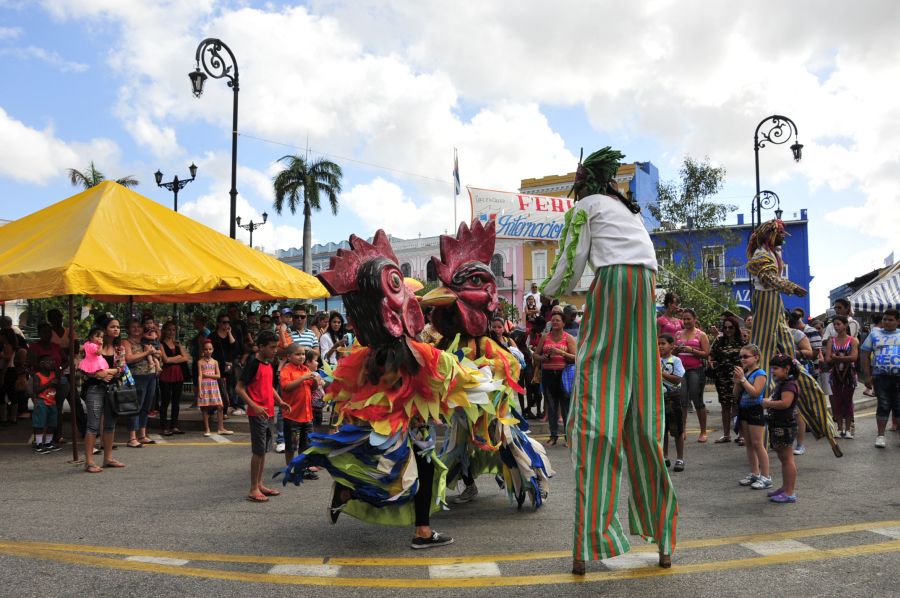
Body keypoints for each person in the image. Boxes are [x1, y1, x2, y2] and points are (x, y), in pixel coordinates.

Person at [540, 146, 677, 573]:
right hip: (647, 289)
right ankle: (663, 538)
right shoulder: (627, 210)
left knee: (595, 408)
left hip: (615, 285)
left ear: (583, 184)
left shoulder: (584, 207)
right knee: (643, 416)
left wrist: (548, 295)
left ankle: (588, 545)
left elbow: (570, 261)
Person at [747, 219, 840, 458]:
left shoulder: (769, 254)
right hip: (767, 315)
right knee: (765, 368)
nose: (784, 239)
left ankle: (824, 428)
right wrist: (791, 287)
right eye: (780, 235)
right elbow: (769, 279)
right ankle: (762, 447)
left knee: (793, 369)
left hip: (775, 312)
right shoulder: (761, 256)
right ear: (770, 235)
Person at [236, 330, 289, 502]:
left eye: (276, 347)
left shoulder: (270, 363)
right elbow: (239, 388)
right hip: (257, 413)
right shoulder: (253, 363)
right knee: (258, 451)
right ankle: (253, 488)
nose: (275, 351)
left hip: (269, 412)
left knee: (264, 450)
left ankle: (259, 484)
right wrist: (254, 405)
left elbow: (270, 386)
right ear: (261, 347)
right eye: (272, 347)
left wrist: (279, 401)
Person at [83, 316, 126, 473]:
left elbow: (121, 368)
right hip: (94, 388)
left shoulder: (119, 348)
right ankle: (89, 461)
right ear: (104, 329)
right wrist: (97, 375)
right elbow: (82, 368)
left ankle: (108, 458)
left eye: (118, 327)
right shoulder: (91, 347)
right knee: (93, 425)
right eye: (112, 326)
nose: (116, 329)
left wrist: (105, 372)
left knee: (110, 424)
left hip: (112, 389)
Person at [761, 354, 800, 503]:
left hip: (785, 425)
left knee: (788, 459)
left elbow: (785, 403)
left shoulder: (789, 385)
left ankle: (789, 492)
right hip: (778, 424)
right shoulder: (783, 383)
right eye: (772, 368)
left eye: (776, 368)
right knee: (783, 458)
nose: (773, 371)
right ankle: (785, 487)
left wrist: (768, 403)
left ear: (787, 369)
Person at [533, 313, 576, 446]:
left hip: (564, 376)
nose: (555, 322)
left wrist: (561, 353)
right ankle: (553, 436)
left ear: (563, 323)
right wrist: (543, 358)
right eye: (553, 321)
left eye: (558, 320)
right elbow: (535, 355)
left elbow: (575, 357)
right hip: (548, 374)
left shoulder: (568, 338)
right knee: (551, 406)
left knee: (566, 407)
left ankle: (569, 438)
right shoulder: (545, 337)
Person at [860, 309, 900, 449]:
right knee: (883, 405)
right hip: (880, 377)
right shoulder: (874, 334)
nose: (886, 322)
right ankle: (880, 436)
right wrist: (867, 375)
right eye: (884, 319)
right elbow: (865, 354)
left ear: (898, 321)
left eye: (890, 319)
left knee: (898, 406)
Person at [733, 344, 770, 489]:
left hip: (755, 409)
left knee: (757, 443)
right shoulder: (745, 374)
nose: (742, 359)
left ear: (756, 358)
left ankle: (766, 476)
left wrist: (742, 380)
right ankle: (754, 473)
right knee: (748, 443)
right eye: (741, 357)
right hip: (744, 410)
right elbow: (735, 394)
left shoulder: (760, 373)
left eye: (746, 356)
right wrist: (737, 381)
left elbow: (755, 392)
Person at [279, 343, 318, 475]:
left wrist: (316, 380)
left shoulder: (306, 369)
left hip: (307, 416)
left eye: (302, 354)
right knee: (291, 446)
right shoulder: (286, 370)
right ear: (289, 356)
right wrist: (303, 378)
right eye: (297, 354)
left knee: (305, 445)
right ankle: (289, 470)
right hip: (293, 416)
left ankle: (301, 469)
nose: (301, 357)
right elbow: (286, 387)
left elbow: (313, 388)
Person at [675, 308, 710, 442]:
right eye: (684, 319)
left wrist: (692, 350)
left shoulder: (701, 335)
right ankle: (683, 430)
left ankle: (703, 431)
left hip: (696, 370)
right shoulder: (678, 334)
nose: (686, 321)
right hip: (681, 371)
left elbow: (706, 354)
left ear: (695, 319)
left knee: (697, 400)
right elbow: (673, 353)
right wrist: (676, 350)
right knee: (682, 401)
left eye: (689, 319)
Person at [123, 318, 159, 448]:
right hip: (136, 377)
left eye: (139, 326)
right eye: (133, 327)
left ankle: (142, 434)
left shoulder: (146, 340)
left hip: (150, 375)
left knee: (146, 406)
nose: (136, 329)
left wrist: (154, 352)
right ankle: (132, 437)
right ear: (128, 329)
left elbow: (158, 353)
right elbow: (129, 358)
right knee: (135, 406)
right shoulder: (126, 342)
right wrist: (147, 352)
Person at [708, 315, 743, 443]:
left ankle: (741, 435)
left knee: (738, 405)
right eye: (725, 327)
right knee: (725, 406)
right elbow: (711, 355)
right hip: (722, 378)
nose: (728, 330)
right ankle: (726, 435)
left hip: (737, 378)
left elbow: (747, 357)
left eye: (731, 327)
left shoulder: (742, 341)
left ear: (736, 328)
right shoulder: (719, 340)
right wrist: (711, 362)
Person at [824, 315, 858, 439]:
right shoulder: (831, 340)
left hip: (850, 375)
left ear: (845, 325)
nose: (836, 326)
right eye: (835, 324)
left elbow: (854, 357)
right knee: (837, 401)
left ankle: (848, 429)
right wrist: (844, 358)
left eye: (838, 324)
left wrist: (837, 357)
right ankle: (839, 428)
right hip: (835, 375)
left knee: (847, 401)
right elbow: (827, 358)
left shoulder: (853, 340)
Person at [787, 311, 814, 456]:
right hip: (776, 376)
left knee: (798, 411)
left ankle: (800, 444)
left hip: (796, 376)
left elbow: (809, 352)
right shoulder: (769, 333)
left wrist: (792, 351)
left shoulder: (796, 334)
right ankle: (780, 441)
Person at [659, 334, 685, 472]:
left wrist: (661, 373)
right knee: (663, 429)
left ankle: (680, 458)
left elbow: (678, 379)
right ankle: (664, 456)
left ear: (671, 345)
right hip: (659, 397)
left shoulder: (675, 360)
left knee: (677, 429)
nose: (660, 346)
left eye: (663, 343)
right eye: (658, 344)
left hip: (673, 398)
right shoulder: (655, 360)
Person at [158, 321, 190, 436]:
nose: (171, 332)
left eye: (173, 330)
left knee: (176, 401)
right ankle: (164, 426)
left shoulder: (177, 344)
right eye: (169, 330)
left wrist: (174, 359)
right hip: (166, 374)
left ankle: (174, 425)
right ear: (164, 331)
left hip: (178, 374)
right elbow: (166, 360)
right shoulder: (161, 344)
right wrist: (178, 357)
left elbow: (186, 358)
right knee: (165, 400)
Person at [196, 338, 232, 437]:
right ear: (203, 350)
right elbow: (199, 376)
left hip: (214, 386)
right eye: (206, 349)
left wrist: (207, 376)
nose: (208, 351)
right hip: (204, 386)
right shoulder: (200, 362)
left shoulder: (215, 362)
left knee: (220, 406)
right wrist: (199, 389)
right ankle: (207, 429)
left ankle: (221, 428)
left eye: (210, 349)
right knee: (205, 408)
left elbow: (218, 376)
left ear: (213, 349)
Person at [210, 312, 242, 415]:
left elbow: (235, 347)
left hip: (229, 364)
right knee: (220, 387)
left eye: (228, 322)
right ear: (219, 323)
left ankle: (232, 406)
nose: (226, 325)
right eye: (224, 322)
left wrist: (229, 333)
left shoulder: (230, 334)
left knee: (231, 385)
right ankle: (220, 408)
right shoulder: (213, 335)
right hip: (217, 365)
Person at [31, 355, 61, 454]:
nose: (52, 363)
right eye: (49, 361)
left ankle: (48, 443)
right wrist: (49, 384)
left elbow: (59, 375)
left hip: (52, 402)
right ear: (42, 364)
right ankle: (39, 444)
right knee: (39, 424)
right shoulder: (37, 376)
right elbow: (36, 390)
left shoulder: (53, 374)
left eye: (52, 361)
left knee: (52, 423)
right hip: (42, 401)